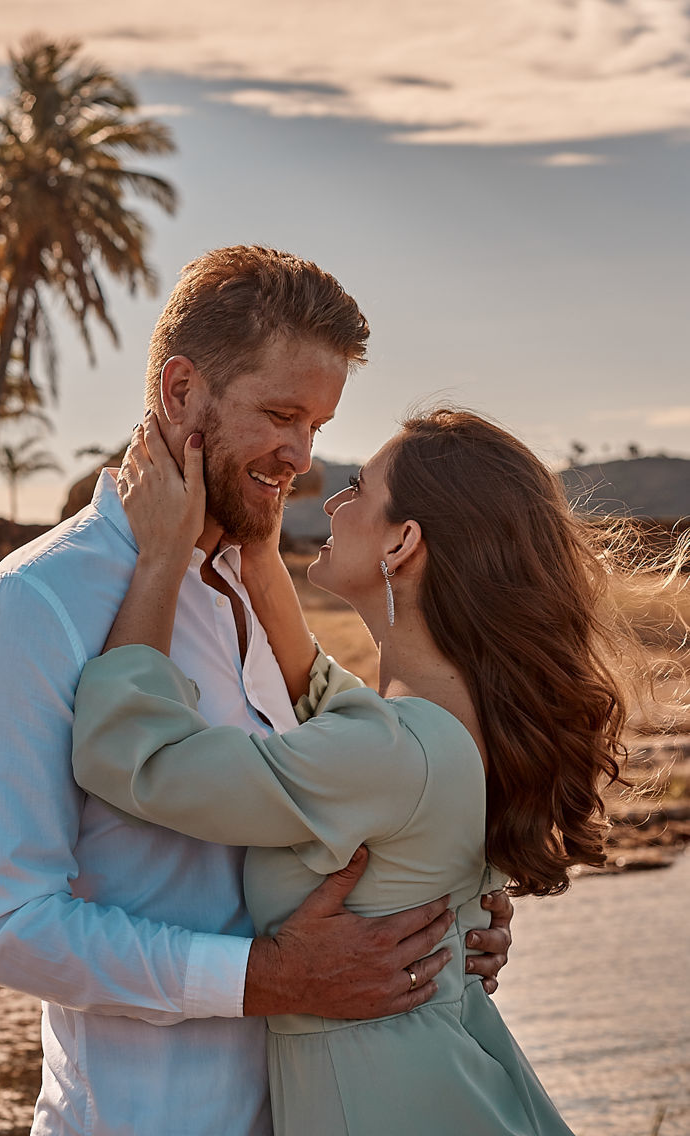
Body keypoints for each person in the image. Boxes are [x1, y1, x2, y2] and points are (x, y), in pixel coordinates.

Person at [0, 246, 512, 1136]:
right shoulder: (37, 602)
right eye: (280, 416)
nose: (302, 459)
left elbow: (345, 800)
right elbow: (3, 925)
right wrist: (263, 978)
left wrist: (451, 912)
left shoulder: (250, 589)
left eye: (317, 425)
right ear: (179, 393)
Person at [73, 406, 632, 1135]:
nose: (332, 498)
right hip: (441, 1080)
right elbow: (333, 703)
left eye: (360, 488)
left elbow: (140, 763)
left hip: (383, 1102)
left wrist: (159, 558)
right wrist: (262, 554)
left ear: (403, 543)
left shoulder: (391, 750)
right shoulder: (472, 720)